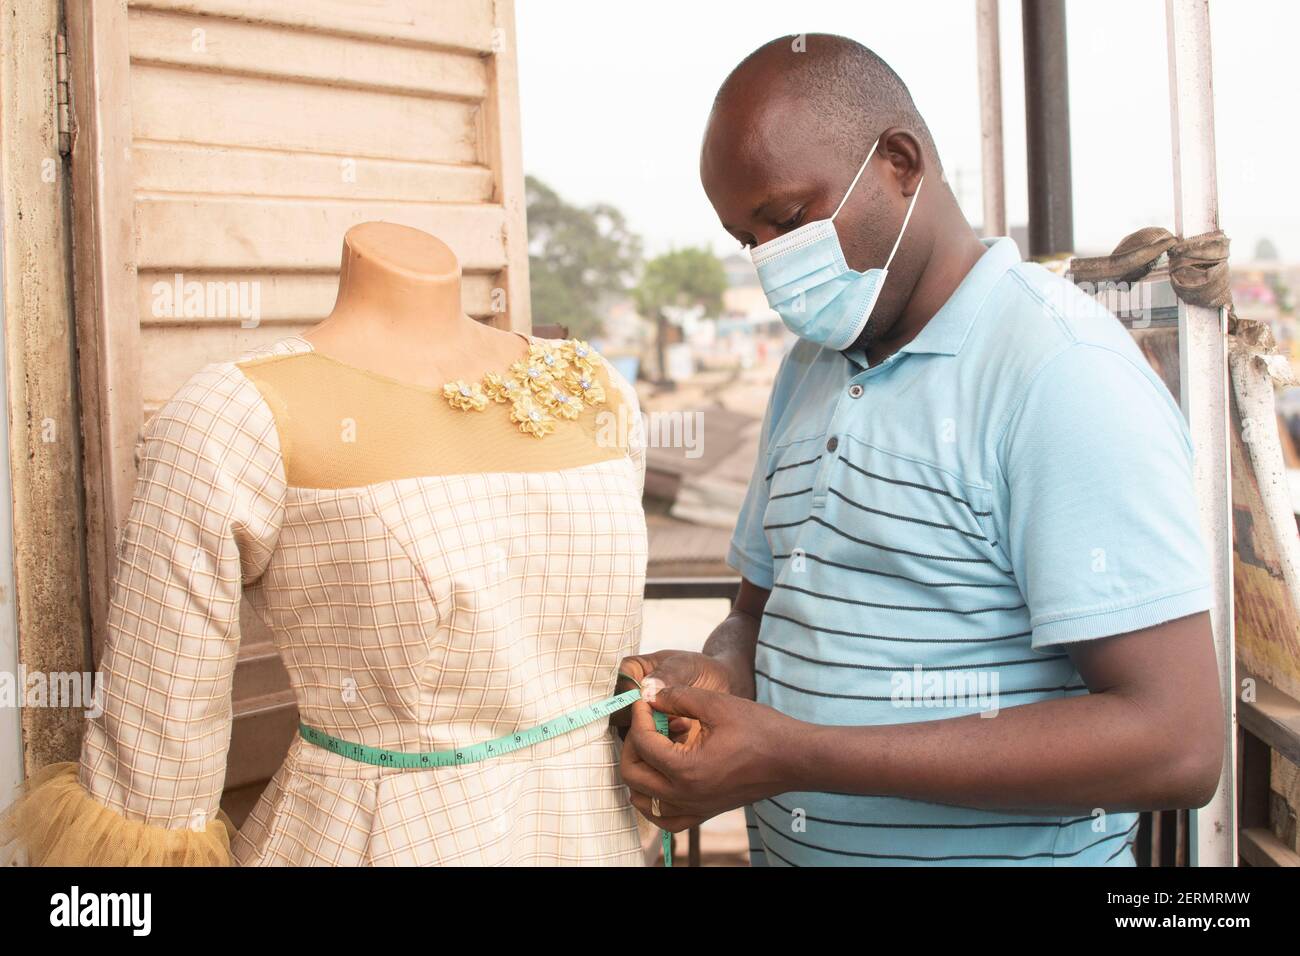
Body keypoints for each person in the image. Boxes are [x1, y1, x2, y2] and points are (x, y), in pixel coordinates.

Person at [617, 34, 1224, 866]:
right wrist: (715, 679)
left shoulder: (1059, 371)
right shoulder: (808, 372)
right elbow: (760, 616)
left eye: (788, 220)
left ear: (901, 162)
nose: (769, 263)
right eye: (745, 239)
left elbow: (1176, 743)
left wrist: (793, 752)